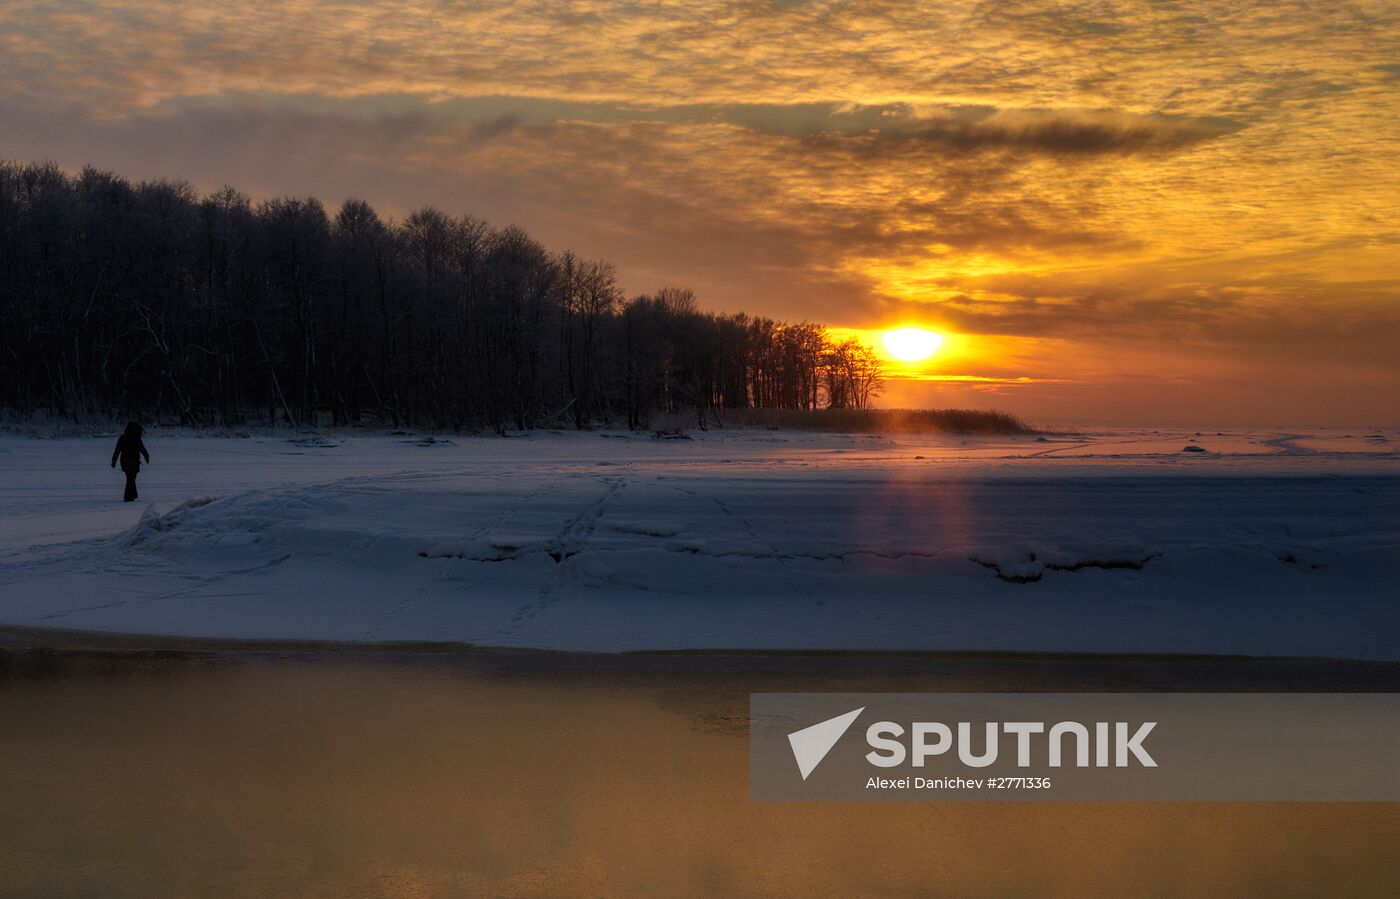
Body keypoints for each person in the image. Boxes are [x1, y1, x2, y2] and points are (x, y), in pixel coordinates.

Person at [111, 421, 151, 502]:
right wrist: (146, 456)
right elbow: (142, 448)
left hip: (125, 462)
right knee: (131, 478)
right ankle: (128, 496)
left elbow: (117, 450)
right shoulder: (136, 438)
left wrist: (114, 461)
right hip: (133, 461)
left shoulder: (123, 437)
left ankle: (132, 495)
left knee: (130, 478)